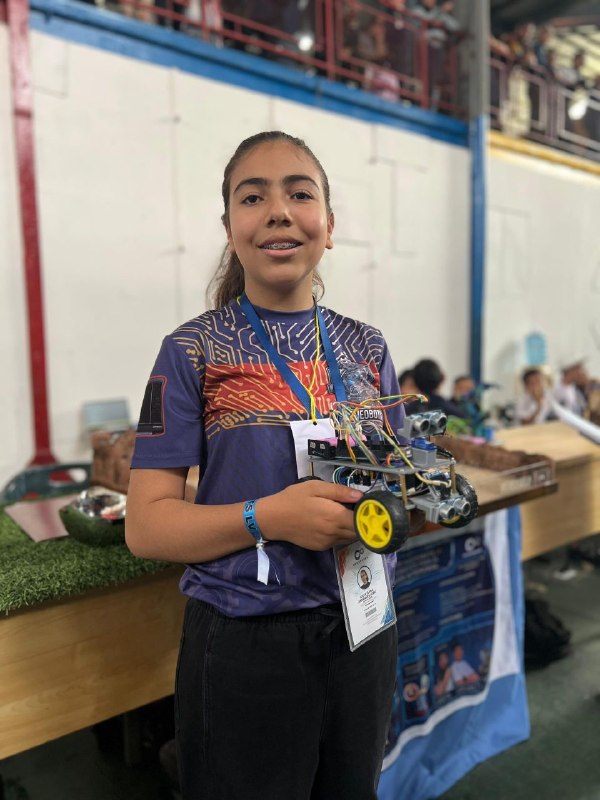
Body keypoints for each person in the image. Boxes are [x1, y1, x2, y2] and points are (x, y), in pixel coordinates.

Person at [126, 131, 404, 800]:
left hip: (363, 626)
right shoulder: (192, 351)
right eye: (252, 197)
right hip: (244, 644)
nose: (278, 211)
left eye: (299, 194)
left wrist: (408, 501)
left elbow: (399, 481)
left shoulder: (367, 347)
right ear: (230, 230)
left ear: (329, 225)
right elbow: (146, 527)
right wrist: (267, 518)